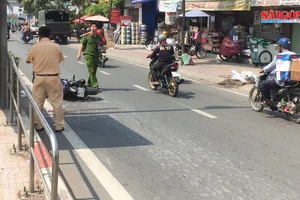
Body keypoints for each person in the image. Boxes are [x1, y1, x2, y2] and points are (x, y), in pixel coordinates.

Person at [26, 26, 65, 132]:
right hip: (53, 78)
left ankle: (38, 125)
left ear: (38, 35)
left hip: (39, 77)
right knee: (57, 102)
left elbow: (28, 60)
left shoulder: (34, 47)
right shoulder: (56, 46)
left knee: (38, 102)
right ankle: (59, 125)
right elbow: (60, 59)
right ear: (50, 35)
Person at [260, 37, 295, 106]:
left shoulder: (279, 56)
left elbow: (271, 66)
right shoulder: (293, 54)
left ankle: (269, 101)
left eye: (278, 46)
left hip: (282, 80)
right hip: (293, 80)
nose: (278, 48)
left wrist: (263, 70)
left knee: (263, 84)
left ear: (282, 47)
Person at [77, 22, 103, 89]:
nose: (93, 27)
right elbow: (82, 45)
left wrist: (103, 48)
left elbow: (101, 45)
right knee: (91, 71)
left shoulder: (99, 37)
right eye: (92, 26)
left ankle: (89, 84)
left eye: (94, 26)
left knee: (93, 71)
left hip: (96, 56)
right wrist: (79, 54)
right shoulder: (87, 36)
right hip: (88, 55)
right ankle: (95, 85)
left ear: (97, 28)